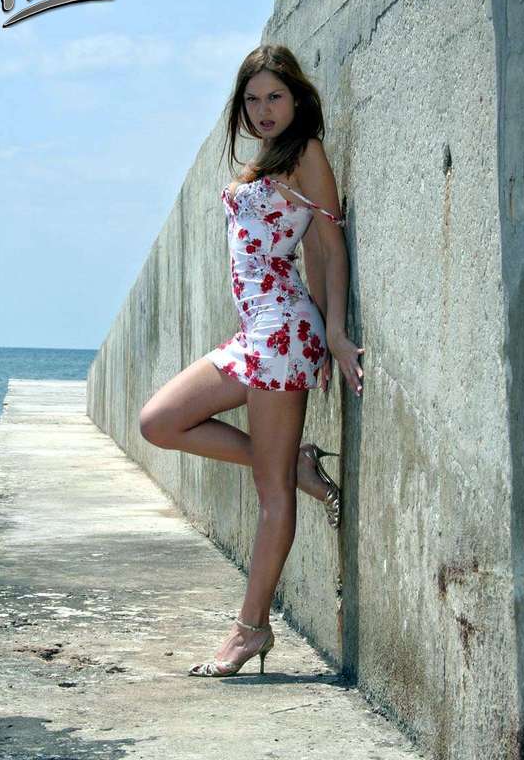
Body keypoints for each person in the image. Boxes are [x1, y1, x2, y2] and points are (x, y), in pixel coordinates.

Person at [139, 44, 364, 677]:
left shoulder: (308, 153)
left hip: (284, 331)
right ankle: (296, 465)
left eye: (275, 97)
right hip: (254, 333)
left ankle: (251, 629)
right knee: (159, 421)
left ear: (297, 98)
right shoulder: (265, 160)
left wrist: (334, 333)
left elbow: (328, 246)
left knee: (271, 495)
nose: (264, 109)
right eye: (253, 99)